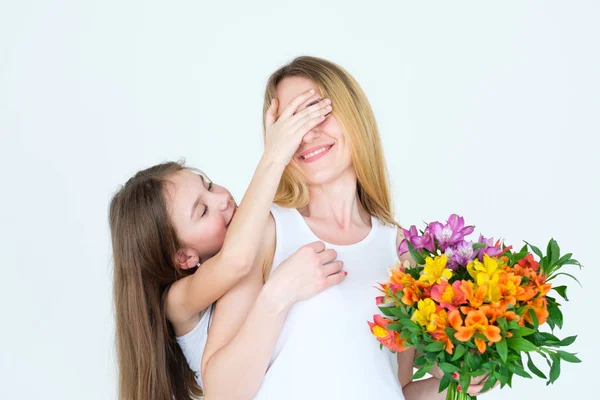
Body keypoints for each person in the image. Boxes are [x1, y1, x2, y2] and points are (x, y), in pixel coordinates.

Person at [201, 56, 494, 400]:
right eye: (292, 123)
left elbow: (392, 386)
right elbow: (220, 393)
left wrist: (463, 383)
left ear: (353, 114)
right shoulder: (267, 233)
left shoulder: (402, 249)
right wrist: (276, 297)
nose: (308, 133)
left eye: (317, 111)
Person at [109, 89, 346, 400]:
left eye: (208, 185)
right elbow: (236, 260)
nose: (222, 199)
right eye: (203, 210)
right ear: (184, 256)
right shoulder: (179, 302)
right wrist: (275, 154)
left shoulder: (264, 243)